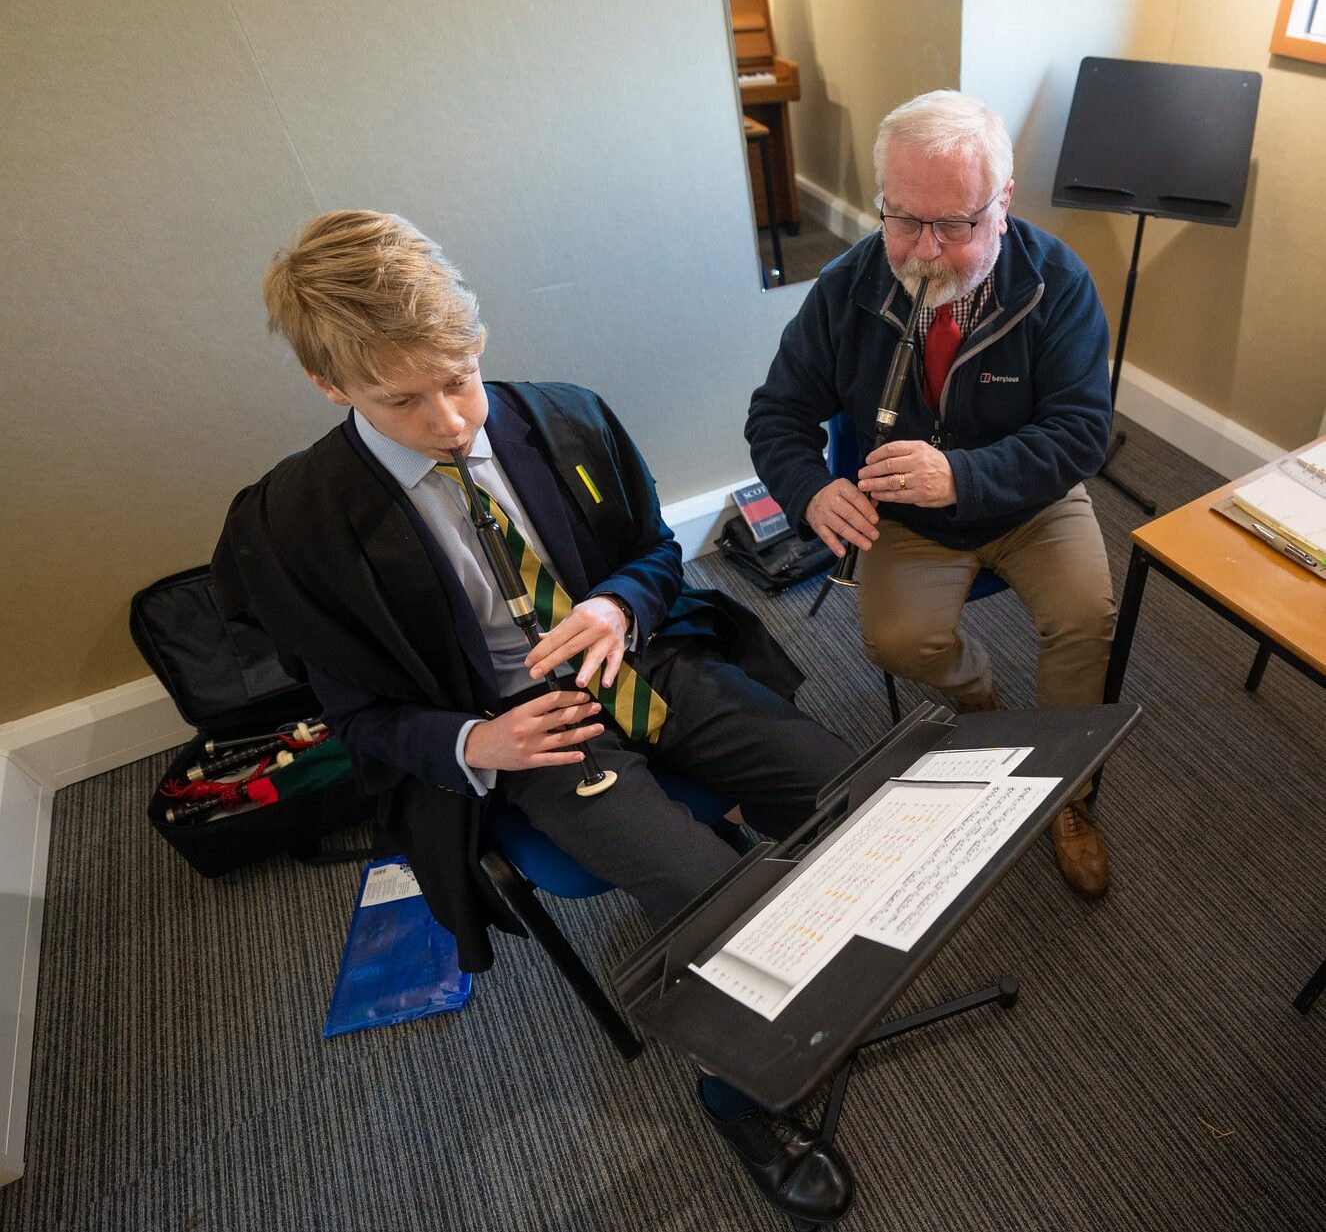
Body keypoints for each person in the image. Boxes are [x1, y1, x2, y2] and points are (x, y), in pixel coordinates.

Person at [212, 210, 856, 1225]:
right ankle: (741, 1090)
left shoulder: (564, 416)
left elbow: (653, 550)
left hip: (636, 655)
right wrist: (476, 742)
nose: (453, 420)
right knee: (710, 896)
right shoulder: (292, 525)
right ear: (329, 387)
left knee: (850, 788)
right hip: (513, 726)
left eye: (460, 374)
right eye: (401, 400)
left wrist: (618, 602)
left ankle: (828, 959)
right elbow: (358, 716)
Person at [746, 90, 1116, 898]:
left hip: (1031, 499)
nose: (926, 251)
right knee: (897, 642)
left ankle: (1067, 789)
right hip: (910, 521)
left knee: (1087, 616)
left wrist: (966, 475)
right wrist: (810, 489)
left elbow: (1083, 432)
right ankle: (985, 709)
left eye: (955, 225)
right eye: (903, 219)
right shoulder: (847, 287)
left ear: (1003, 205)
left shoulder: (1058, 282)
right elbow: (775, 414)